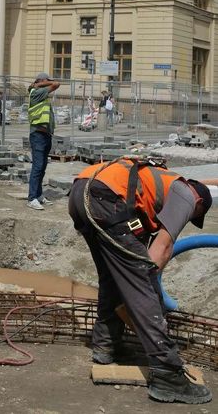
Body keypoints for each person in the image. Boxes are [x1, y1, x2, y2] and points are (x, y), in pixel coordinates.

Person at [68, 156, 215, 404]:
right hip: (104, 197)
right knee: (141, 283)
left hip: (81, 191)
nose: (188, 218)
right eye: (194, 216)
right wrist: (148, 291)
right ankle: (167, 374)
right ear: (199, 202)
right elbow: (162, 249)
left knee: (113, 276)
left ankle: (106, 345)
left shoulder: (154, 187)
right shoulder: (187, 195)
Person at [27, 72, 60, 210]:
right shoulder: (36, 92)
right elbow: (56, 84)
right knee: (38, 167)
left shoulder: (42, 94)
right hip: (38, 136)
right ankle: (32, 198)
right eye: (47, 80)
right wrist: (41, 83)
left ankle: (39, 195)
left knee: (42, 168)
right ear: (41, 81)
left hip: (45, 135)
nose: (49, 82)